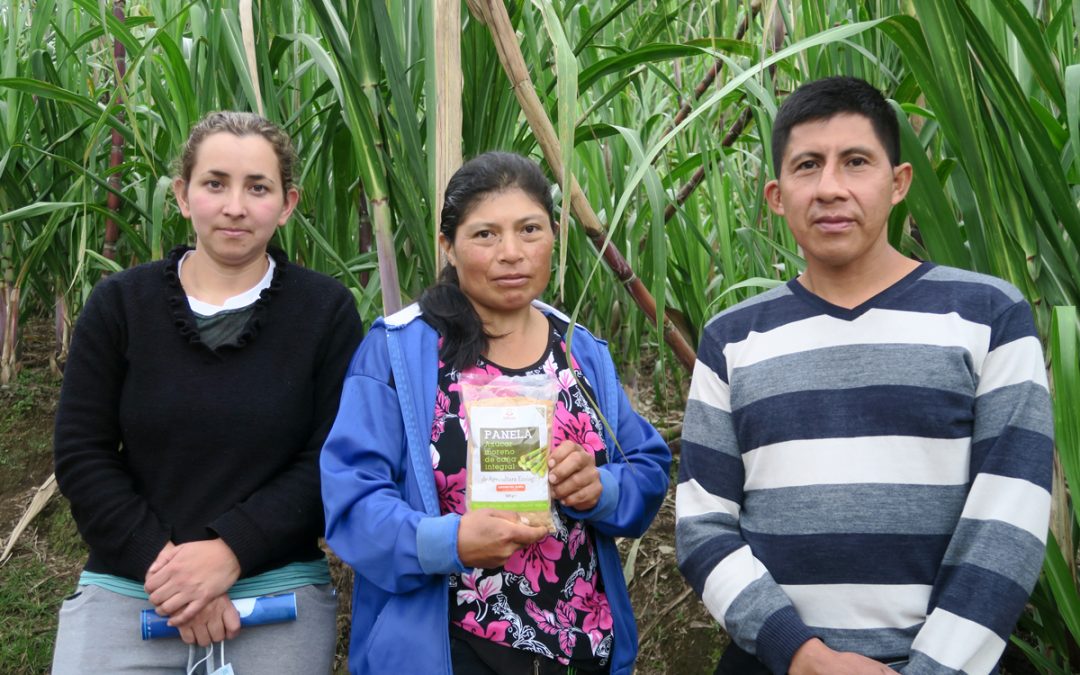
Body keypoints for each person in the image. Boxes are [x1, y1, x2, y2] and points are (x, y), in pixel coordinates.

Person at [676, 76, 1053, 675]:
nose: (830, 188)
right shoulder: (732, 337)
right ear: (776, 195)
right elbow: (703, 525)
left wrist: (933, 668)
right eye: (807, 166)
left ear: (898, 182)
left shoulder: (987, 317)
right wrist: (803, 655)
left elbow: (1010, 515)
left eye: (856, 162)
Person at [320, 151, 671, 675]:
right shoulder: (399, 353)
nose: (512, 253)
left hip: (580, 646)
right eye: (485, 235)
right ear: (449, 247)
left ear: (554, 235)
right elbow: (351, 504)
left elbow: (646, 468)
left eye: (530, 229)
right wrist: (450, 541)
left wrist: (601, 489)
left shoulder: (579, 351)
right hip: (450, 649)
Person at [51, 111, 363, 674]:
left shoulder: (325, 311)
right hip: (131, 585)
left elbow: (331, 458)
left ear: (288, 204)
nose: (235, 206)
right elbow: (82, 454)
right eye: (214, 183)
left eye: (258, 187)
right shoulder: (120, 305)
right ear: (181, 193)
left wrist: (229, 552)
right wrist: (170, 573)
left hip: (273, 593)